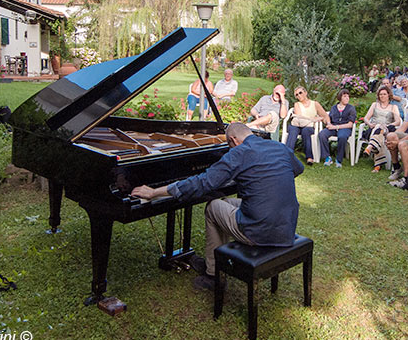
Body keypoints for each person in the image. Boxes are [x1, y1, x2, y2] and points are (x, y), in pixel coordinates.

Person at [130, 122, 303, 289]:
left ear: (233, 140)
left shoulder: (239, 153)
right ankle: (217, 261)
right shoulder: (278, 147)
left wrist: (154, 192)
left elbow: (202, 183)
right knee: (226, 203)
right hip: (286, 225)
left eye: (228, 145)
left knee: (213, 207)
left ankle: (213, 275)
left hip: (260, 231)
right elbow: (298, 169)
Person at [361, 86, 402, 172]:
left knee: (381, 131)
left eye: (384, 94)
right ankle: (377, 165)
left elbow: (398, 121)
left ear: (388, 95)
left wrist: (388, 125)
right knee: (379, 131)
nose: (382, 96)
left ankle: (370, 147)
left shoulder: (393, 107)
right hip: (374, 128)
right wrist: (370, 124)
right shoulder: (374, 105)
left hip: (387, 129)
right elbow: (366, 118)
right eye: (380, 94)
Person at [285, 86, 327, 165]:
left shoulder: (315, 104)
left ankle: (309, 157)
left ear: (306, 93)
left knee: (306, 131)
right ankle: (287, 156)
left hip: (308, 127)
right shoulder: (297, 104)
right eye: (296, 95)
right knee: (293, 130)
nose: (299, 95)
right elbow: (299, 118)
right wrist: (313, 119)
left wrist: (327, 122)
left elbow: (324, 115)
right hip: (297, 125)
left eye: (300, 93)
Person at [318, 89, 357, 168]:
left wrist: (336, 127)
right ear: (340, 98)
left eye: (348, 96)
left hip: (345, 128)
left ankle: (339, 160)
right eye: (345, 96)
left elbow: (350, 124)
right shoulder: (334, 108)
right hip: (333, 127)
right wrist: (328, 124)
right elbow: (328, 117)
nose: (347, 98)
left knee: (342, 137)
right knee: (322, 134)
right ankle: (327, 157)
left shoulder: (351, 108)